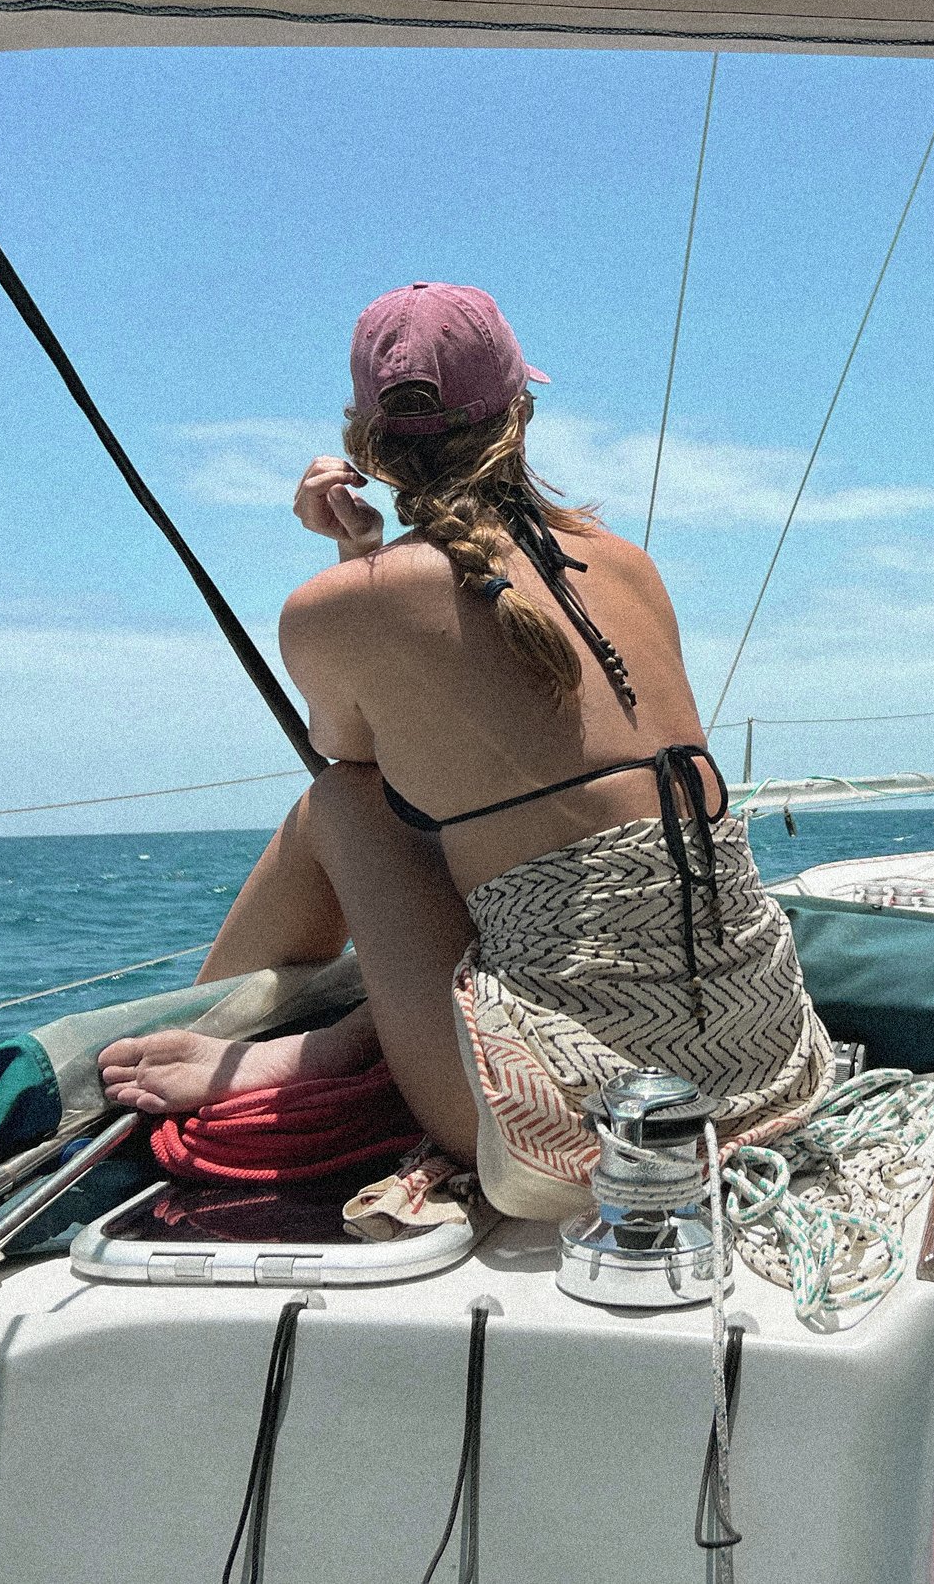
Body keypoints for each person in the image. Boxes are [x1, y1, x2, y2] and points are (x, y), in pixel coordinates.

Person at [97, 281, 832, 1217]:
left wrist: (355, 557)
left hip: (571, 1121)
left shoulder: (338, 609)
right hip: (766, 1057)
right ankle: (329, 1039)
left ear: (364, 441)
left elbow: (359, 754)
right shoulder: (629, 564)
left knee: (342, 801)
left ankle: (202, 1038)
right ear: (520, 410)